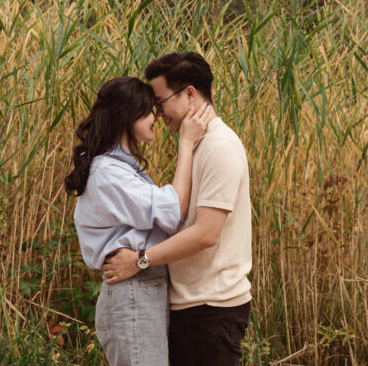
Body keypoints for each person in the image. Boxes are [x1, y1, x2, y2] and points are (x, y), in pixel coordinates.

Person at [104, 52, 252, 366]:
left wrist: (140, 261)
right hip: (190, 305)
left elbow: (206, 233)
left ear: (189, 94)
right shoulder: (197, 144)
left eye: (160, 102)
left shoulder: (219, 147)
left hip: (212, 308)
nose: (157, 114)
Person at [64, 76, 214, 366]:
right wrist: (186, 143)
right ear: (126, 115)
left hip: (141, 290)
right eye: (148, 109)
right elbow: (172, 212)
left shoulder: (119, 168)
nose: (156, 116)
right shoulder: (108, 172)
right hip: (132, 294)